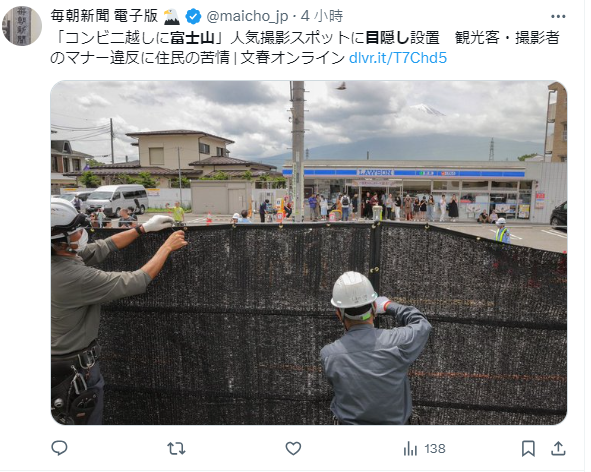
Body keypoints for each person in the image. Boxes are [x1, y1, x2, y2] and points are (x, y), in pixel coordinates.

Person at [51, 198, 186, 425]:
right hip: (72, 372)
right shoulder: (72, 277)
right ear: (59, 240)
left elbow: (103, 247)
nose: (82, 234)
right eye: (76, 231)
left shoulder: (57, 258)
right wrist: (166, 247)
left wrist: (142, 229)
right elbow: (135, 281)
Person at [320, 271, 431, 425]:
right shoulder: (397, 343)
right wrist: (388, 305)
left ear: (339, 314)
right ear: (374, 307)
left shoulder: (328, 355)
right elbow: (422, 324)